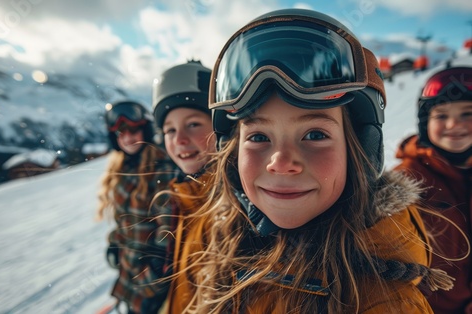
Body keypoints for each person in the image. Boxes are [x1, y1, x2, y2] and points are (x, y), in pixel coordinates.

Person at [171, 9, 455, 313]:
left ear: (360, 151)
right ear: (232, 151)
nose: (280, 162)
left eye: (315, 134)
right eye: (257, 137)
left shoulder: (384, 302)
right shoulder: (222, 240)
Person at [393, 66, 472, 314]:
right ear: (425, 122)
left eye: (467, 113)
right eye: (441, 116)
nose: (454, 124)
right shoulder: (406, 182)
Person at [96, 100, 177, 314]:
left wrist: (156, 273)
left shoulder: (161, 168)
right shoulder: (122, 168)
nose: (128, 138)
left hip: (153, 279)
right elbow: (124, 219)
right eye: (121, 133)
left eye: (134, 130)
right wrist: (115, 243)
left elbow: (168, 227)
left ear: (147, 130)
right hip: (131, 269)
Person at [151, 60, 216, 313]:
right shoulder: (184, 196)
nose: (179, 139)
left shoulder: (241, 205)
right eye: (169, 130)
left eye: (193, 124)